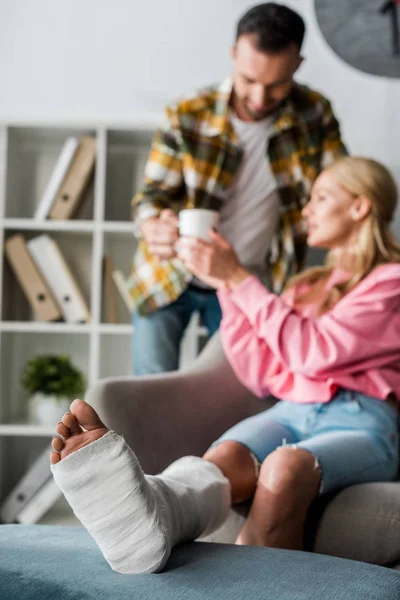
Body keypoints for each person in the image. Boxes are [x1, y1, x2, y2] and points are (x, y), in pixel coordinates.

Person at [50, 156, 400, 575]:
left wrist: (238, 279)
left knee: (284, 467)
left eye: (321, 197)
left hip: (362, 421)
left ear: (360, 207)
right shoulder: (305, 285)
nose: (307, 209)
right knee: (224, 458)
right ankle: (147, 521)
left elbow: (314, 352)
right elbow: (261, 373)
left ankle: (245, 581)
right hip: (291, 410)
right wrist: (224, 287)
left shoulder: (391, 282)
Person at [128, 2, 347, 375]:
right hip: (168, 277)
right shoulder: (187, 113)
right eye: (249, 80)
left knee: (229, 401)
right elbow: (152, 197)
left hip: (245, 286)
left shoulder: (315, 114)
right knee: (148, 393)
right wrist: (152, 225)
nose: (260, 99)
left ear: (297, 64)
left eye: (276, 85)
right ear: (233, 55)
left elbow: (341, 185)